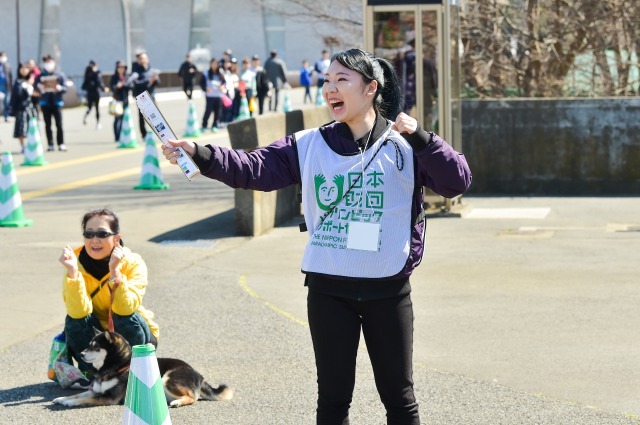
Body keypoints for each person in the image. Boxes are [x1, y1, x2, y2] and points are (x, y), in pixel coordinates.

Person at [160, 48, 472, 424]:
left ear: (371, 88)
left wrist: (422, 137)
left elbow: (456, 182)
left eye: (342, 80)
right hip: (328, 289)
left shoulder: (405, 143)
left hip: (388, 288)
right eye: (326, 81)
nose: (330, 90)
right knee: (333, 399)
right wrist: (201, 152)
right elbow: (252, 168)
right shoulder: (308, 144)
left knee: (399, 398)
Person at [57, 208, 159, 375]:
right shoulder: (75, 263)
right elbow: (78, 313)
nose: (94, 240)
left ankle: (133, 370)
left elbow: (126, 308)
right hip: (97, 334)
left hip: (131, 329)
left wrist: (114, 272)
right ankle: (93, 374)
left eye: (102, 234)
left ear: (116, 238)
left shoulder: (133, 262)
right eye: (89, 234)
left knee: (125, 316)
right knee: (74, 321)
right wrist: (73, 274)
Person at [35, 55, 67, 151]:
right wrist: (40, 88)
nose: (48, 64)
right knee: (47, 124)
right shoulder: (40, 76)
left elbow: (65, 88)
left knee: (59, 124)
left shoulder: (60, 75)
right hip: (45, 103)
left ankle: (61, 143)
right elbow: (35, 88)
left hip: (57, 102)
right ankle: (50, 144)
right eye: (47, 62)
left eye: (50, 62)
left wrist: (60, 88)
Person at [131, 51, 159, 138]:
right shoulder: (135, 72)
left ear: (147, 59)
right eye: (140, 59)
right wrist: (148, 81)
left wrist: (155, 79)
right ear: (138, 60)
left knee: (155, 116)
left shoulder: (152, 70)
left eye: (144, 58)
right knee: (142, 116)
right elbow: (136, 83)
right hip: (141, 98)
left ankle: (159, 132)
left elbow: (158, 82)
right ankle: (144, 134)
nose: (142, 60)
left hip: (151, 96)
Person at [9, 63, 36, 153]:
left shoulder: (32, 80)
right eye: (22, 68)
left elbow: (36, 93)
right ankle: (23, 146)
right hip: (20, 108)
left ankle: (32, 145)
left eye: (26, 68)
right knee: (21, 129)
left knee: (32, 128)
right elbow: (16, 95)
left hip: (30, 108)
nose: (24, 70)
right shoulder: (18, 82)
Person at [199, 58, 226, 133]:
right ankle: (204, 125)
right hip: (210, 96)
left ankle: (214, 125)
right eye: (213, 63)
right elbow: (201, 83)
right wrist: (205, 88)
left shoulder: (220, 73)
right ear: (210, 64)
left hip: (218, 95)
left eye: (216, 63)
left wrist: (223, 86)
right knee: (208, 111)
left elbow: (224, 82)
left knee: (218, 111)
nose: (214, 65)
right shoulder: (206, 73)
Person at [109, 60, 133, 143]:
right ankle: (117, 137)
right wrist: (117, 86)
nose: (121, 69)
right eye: (120, 67)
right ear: (117, 68)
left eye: (123, 67)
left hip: (125, 100)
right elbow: (112, 88)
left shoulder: (126, 77)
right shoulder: (114, 77)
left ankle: (122, 136)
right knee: (117, 119)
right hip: (117, 101)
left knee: (124, 119)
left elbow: (131, 86)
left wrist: (124, 84)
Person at [81, 60, 108, 129]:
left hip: (93, 93)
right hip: (93, 93)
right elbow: (98, 82)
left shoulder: (93, 73)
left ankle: (95, 121)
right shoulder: (91, 72)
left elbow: (99, 82)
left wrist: (103, 88)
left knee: (94, 108)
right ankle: (93, 121)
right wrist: (104, 88)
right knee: (93, 107)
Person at [0, 51, 13, 122]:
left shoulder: (8, 66)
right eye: (1, 56)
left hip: (6, 86)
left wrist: (11, 87)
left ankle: (6, 116)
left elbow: (10, 77)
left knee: (7, 102)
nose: (2, 58)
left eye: (4, 56)